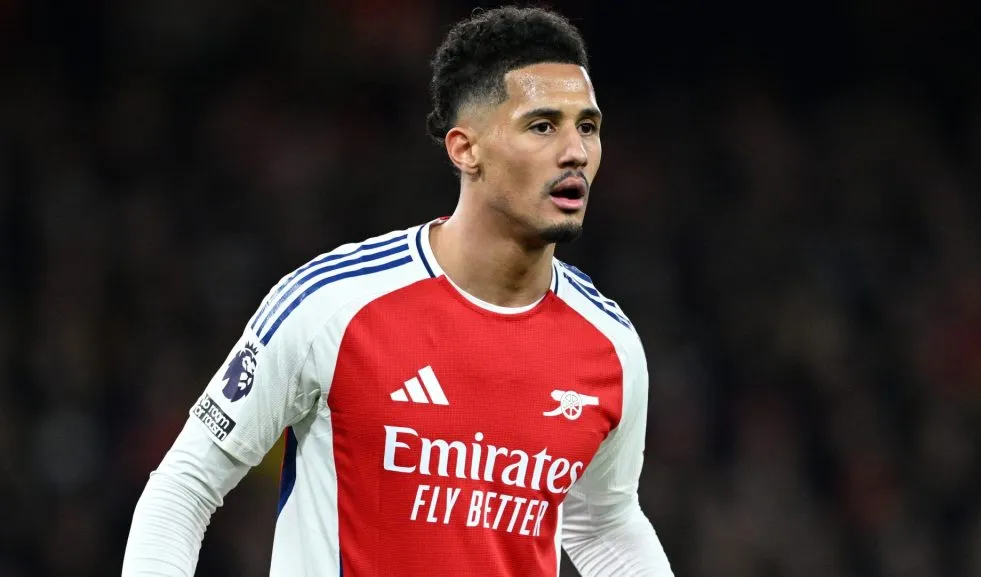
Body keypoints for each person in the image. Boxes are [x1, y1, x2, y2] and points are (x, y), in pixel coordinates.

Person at [122, 5, 674, 576]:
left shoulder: (610, 345)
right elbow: (184, 487)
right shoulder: (333, 304)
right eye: (542, 126)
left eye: (588, 126)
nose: (576, 152)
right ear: (465, 149)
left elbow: (605, 522)